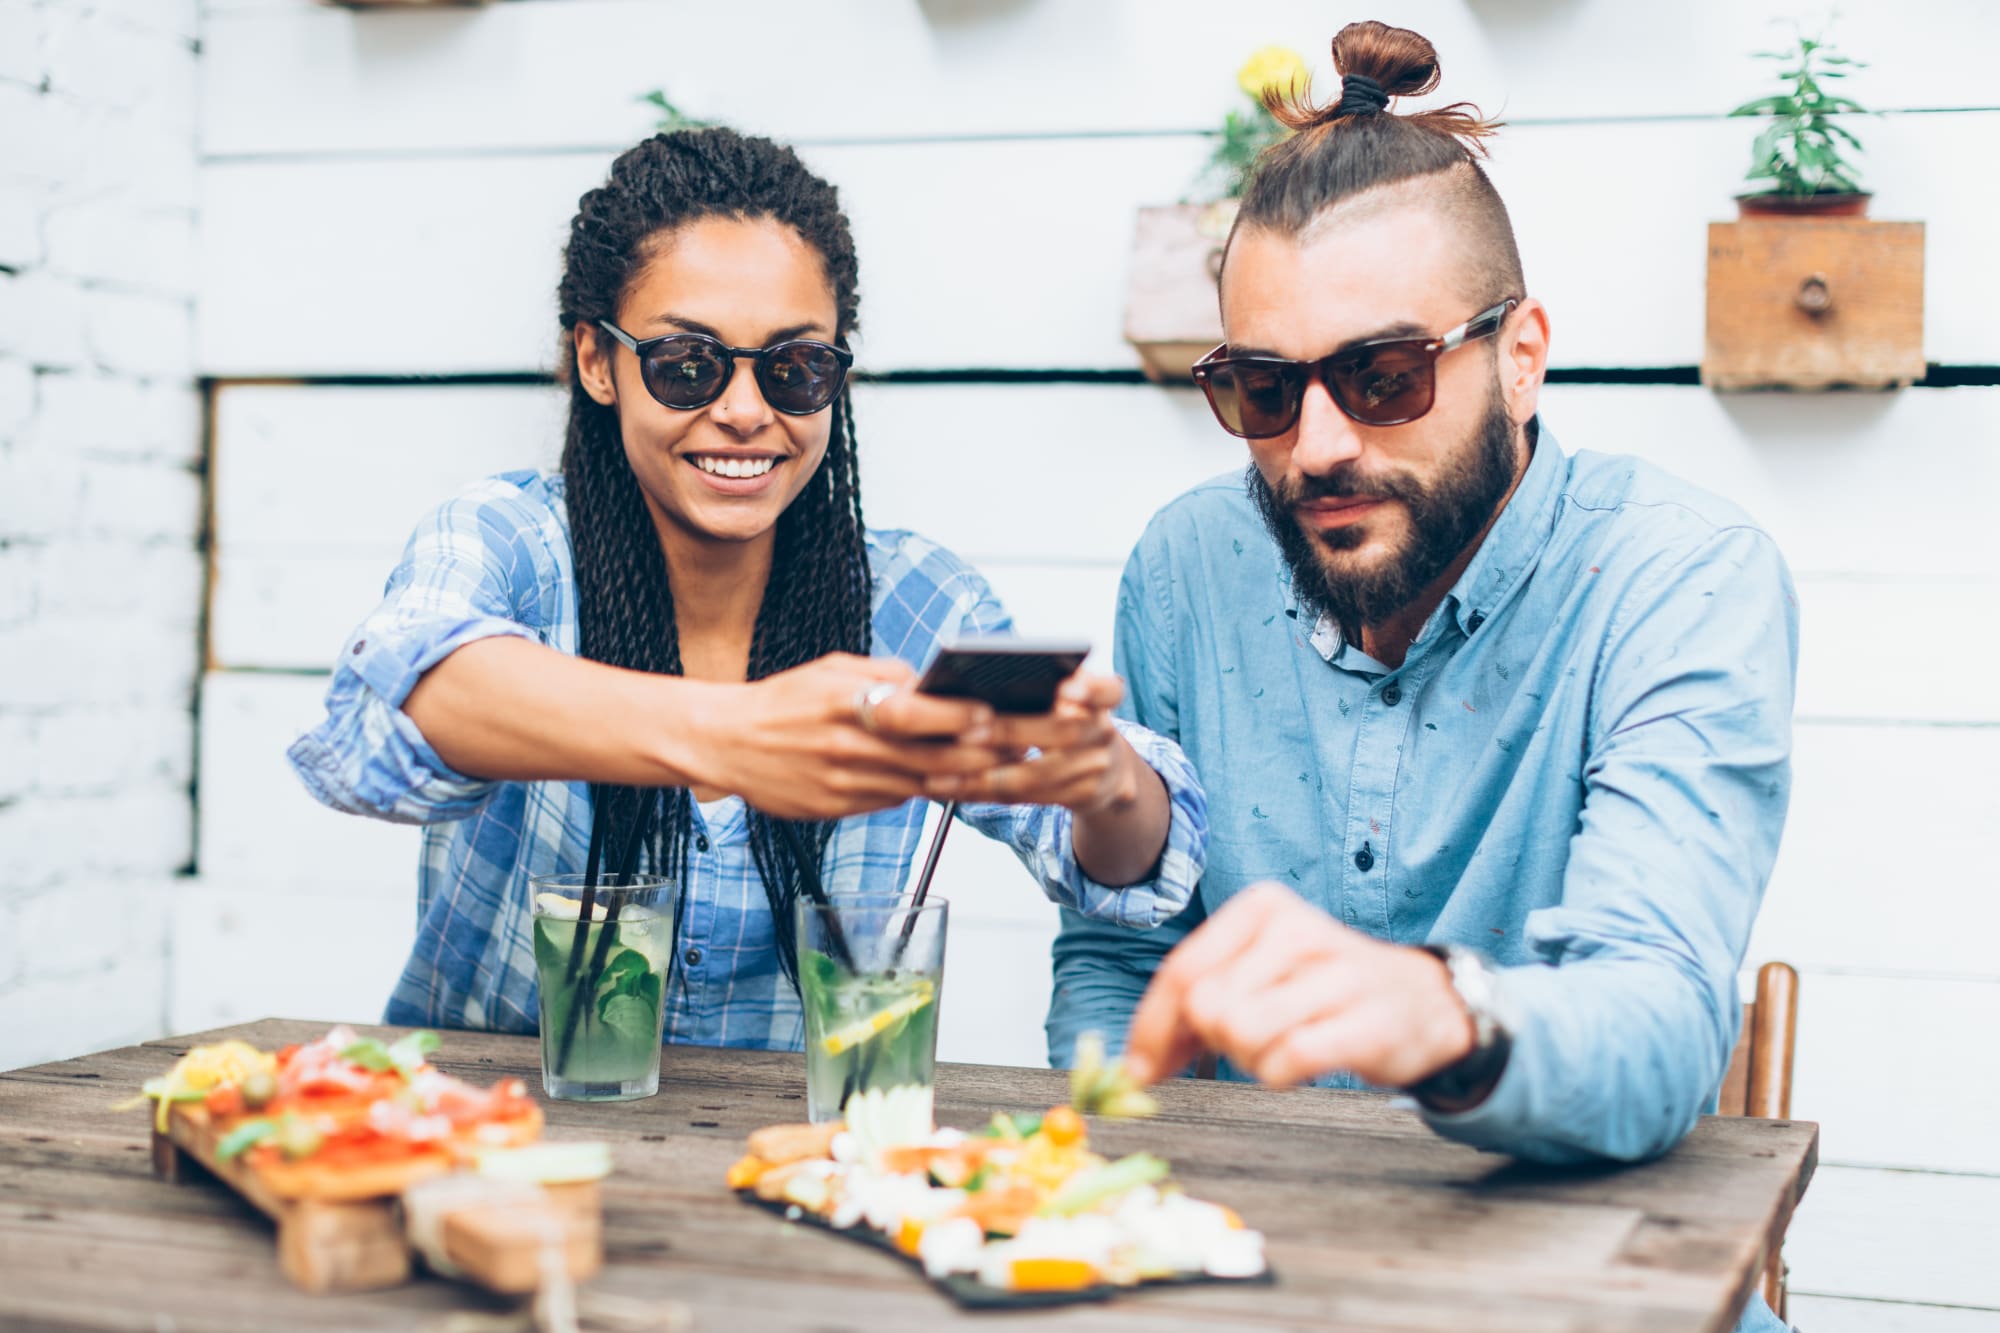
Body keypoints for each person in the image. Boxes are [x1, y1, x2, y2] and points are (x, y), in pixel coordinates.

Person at [1046, 24, 1795, 1330]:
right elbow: (1120, 955)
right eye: (1264, 391)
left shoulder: (1682, 578)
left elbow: (1661, 1018)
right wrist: (1121, 1188)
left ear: (1521, 353)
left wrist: (1436, 1009)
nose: (1319, 446)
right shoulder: (1187, 566)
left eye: (1384, 376)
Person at [288, 128, 1205, 1045]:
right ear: (597, 362)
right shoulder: (511, 543)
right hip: (489, 1146)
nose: (743, 410)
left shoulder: (916, 602)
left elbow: (1126, 866)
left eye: (794, 367)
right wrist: (735, 735)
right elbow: (392, 709)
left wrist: (1106, 783)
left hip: (801, 1165)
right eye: (687, 364)